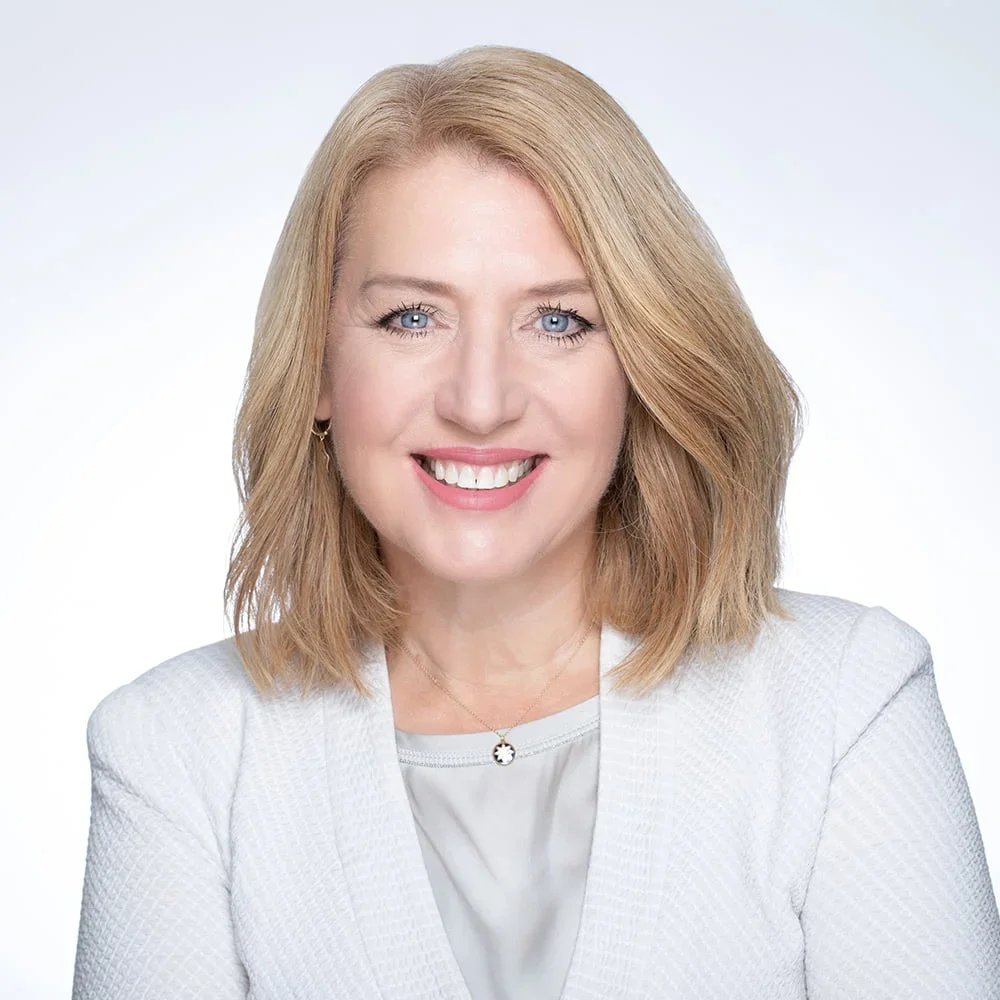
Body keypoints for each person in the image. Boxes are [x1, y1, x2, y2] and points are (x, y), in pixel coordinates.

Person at [71, 44, 1000, 1000]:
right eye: (410, 319)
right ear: (313, 365)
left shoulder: (845, 703)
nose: (481, 403)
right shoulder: (172, 751)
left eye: (558, 322)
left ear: (644, 368)